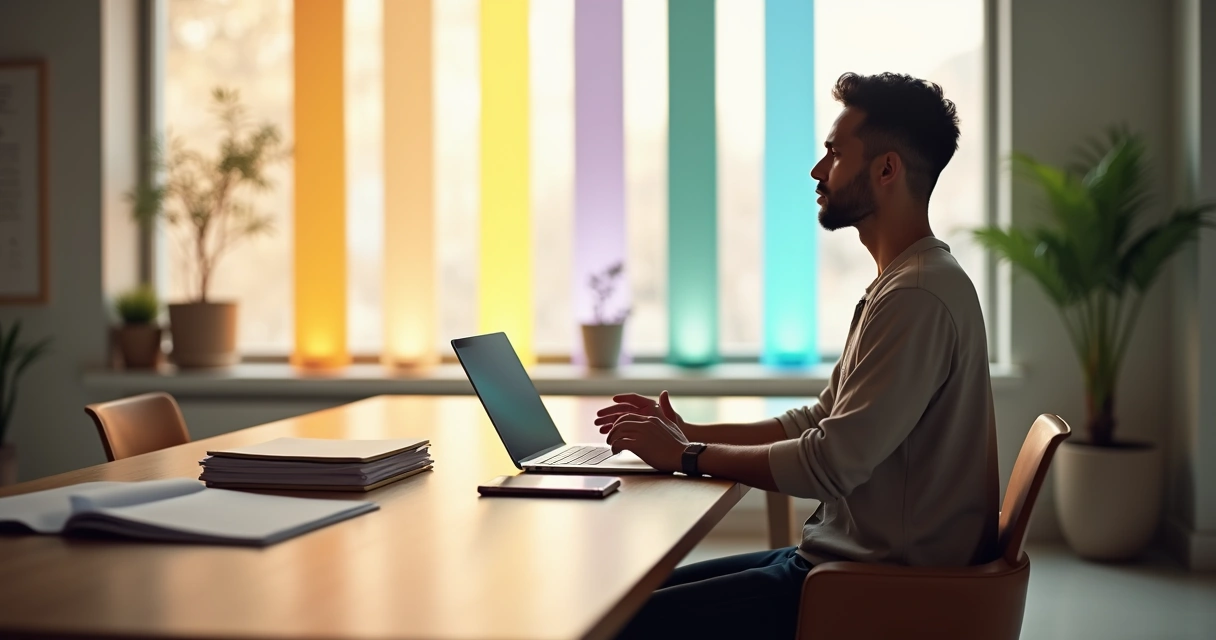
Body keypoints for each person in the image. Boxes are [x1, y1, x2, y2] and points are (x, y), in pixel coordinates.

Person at [599, 72, 999, 639]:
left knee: (618, 623)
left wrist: (688, 457)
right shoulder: (905, 283)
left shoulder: (916, 296)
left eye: (834, 154)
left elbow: (828, 464)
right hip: (839, 567)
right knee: (633, 596)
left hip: (869, 590)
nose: (818, 170)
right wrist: (687, 431)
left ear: (887, 170)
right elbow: (817, 422)